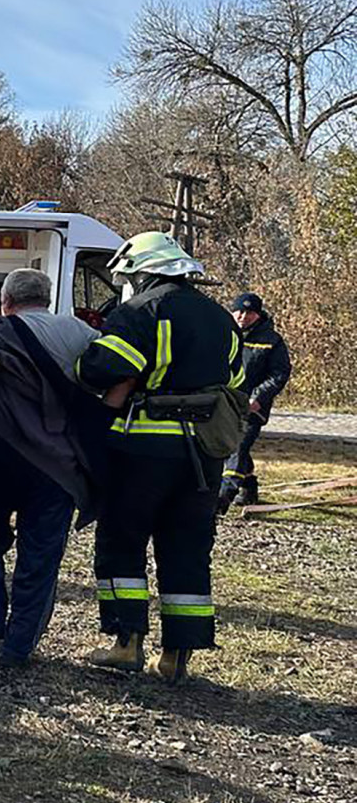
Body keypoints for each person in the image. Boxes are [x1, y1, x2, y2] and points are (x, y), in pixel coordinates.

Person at [76, 230, 241, 684]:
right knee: (187, 547)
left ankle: (126, 644)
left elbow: (99, 369)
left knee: (122, 540)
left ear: (142, 272)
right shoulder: (221, 318)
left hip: (142, 450)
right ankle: (175, 657)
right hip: (203, 456)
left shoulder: (140, 311)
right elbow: (237, 375)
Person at [0, 268, 101, 669]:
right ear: (48, 297)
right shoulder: (78, 332)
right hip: (57, 465)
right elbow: (107, 376)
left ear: (5, 301)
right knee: (39, 552)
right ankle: (19, 645)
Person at [218, 291, 291, 511]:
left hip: (252, 405)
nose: (243, 316)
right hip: (224, 401)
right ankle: (249, 487)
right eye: (239, 311)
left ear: (258, 315)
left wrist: (258, 398)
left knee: (238, 445)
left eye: (249, 312)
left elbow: (280, 373)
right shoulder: (222, 334)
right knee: (227, 444)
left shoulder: (272, 341)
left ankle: (222, 498)